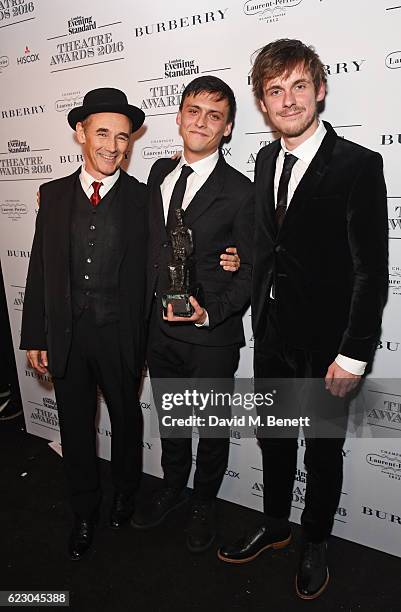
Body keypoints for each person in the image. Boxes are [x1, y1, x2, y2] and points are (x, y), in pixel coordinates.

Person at [217, 39, 388, 599]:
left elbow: (371, 270)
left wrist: (355, 351)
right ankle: (274, 525)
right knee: (273, 441)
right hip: (270, 337)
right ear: (263, 104)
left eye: (297, 86)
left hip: (328, 347)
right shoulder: (265, 159)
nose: (287, 100)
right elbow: (273, 241)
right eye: (274, 90)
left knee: (321, 450)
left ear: (320, 89)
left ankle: (314, 539)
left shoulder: (360, 165)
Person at [20, 88, 148, 560]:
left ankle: (126, 494)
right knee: (75, 428)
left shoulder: (143, 199)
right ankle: (83, 511)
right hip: (68, 335)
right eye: (102, 133)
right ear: (80, 134)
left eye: (122, 136)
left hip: (120, 335)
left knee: (127, 420)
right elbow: (39, 267)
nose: (113, 146)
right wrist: (35, 333)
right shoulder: (52, 195)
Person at [131, 76, 254, 553]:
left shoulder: (242, 192)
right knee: (173, 422)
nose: (202, 121)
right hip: (158, 332)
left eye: (215, 115)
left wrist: (211, 313)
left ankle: (204, 503)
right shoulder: (159, 171)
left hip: (211, 336)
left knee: (212, 428)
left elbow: (251, 271)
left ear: (227, 130)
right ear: (179, 117)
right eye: (194, 111)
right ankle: (173, 488)